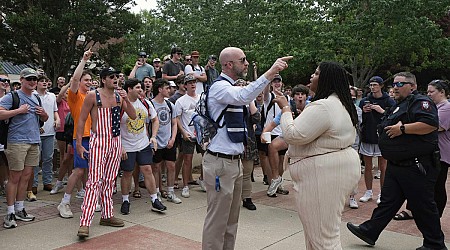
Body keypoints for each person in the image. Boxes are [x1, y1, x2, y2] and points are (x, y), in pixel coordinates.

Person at [201, 46, 291, 250]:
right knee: (217, 222)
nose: (247, 63)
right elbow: (244, 96)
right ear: (229, 64)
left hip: (234, 162)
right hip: (219, 163)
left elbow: (249, 96)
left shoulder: (232, 87)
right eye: (243, 60)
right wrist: (270, 72)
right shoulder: (219, 87)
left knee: (231, 222)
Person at [347, 72, 446, 250]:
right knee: (388, 202)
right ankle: (370, 231)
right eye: (394, 84)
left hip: (416, 166)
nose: (395, 87)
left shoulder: (421, 103)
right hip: (397, 164)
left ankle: (435, 244)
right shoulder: (398, 105)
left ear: (412, 86)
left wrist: (403, 128)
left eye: (400, 84)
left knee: (422, 206)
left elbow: (430, 124)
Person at [273, 62, 360, 249]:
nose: (312, 76)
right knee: (317, 234)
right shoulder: (339, 104)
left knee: (323, 238)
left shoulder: (324, 106)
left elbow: (293, 135)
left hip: (323, 176)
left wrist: (285, 110)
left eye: (316, 73)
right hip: (330, 172)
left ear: (326, 79)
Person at [76, 67, 136, 238]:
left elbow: (132, 116)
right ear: (103, 79)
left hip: (115, 142)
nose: (115, 79)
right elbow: (81, 120)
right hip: (99, 141)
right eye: (111, 77)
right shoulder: (92, 96)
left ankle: (107, 215)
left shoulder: (119, 96)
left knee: (110, 180)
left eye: (117, 76)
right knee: (94, 181)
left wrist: (127, 100)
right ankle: (85, 222)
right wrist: (79, 144)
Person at [0, 68, 49, 229]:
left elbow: (44, 118)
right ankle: (10, 212)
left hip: (34, 141)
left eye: (35, 79)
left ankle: (20, 209)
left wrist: (44, 115)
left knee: (26, 177)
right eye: (29, 79)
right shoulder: (12, 96)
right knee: (14, 177)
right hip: (16, 142)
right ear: (21, 80)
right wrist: (18, 111)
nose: (33, 81)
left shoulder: (36, 97)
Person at [119, 78, 166, 215]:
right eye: (138, 87)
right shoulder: (121, 104)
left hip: (143, 143)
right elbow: (113, 126)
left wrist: (153, 136)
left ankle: (154, 199)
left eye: (141, 87)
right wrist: (120, 145)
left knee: (147, 170)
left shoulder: (145, 103)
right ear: (129, 89)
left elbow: (155, 119)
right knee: (127, 172)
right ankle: (125, 200)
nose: (141, 90)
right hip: (126, 144)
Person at [57, 49, 94, 219]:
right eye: (86, 80)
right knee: (78, 170)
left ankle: (88, 196)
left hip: (94, 137)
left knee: (89, 170)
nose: (89, 82)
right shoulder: (75, 96)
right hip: (80, 138)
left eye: (91, 80)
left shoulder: (93, 97)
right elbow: (74, 79)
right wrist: (84, 60)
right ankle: (64, 202)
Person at [358, 76, 395, 205]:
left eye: (375, 85)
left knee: (383, 166)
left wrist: (382, 111)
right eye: (371, 85)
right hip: (368, 135)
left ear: (381, 85)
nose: (372, 87)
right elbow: (360, 119)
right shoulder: (365, 100)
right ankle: (368, 191)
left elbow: (394, 116)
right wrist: (364, 111)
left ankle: (382, 192)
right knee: (368, 165)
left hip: (382, 137)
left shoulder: (389, 101)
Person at [150, 79, 180, 204]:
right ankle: (156, 192)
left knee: (171, 165)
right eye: (166, 88)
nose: (169, 91)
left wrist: (173, 138)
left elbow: (174, 123)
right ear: (159, 89)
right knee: (156, 167)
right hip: (156, 141)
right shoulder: (150, 105)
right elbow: (148, 124)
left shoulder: (169, 105)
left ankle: (170, 191)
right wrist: (152, 139)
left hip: (168, 140)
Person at [174, 74, 203, 198]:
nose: (193, 84)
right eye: (190, 82)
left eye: (194, 82)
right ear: (185, 85)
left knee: (206, 158)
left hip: (201, 134)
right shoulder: (180, 101)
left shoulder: (201, 98)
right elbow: (177, 119)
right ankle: (185, 186)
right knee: (187, 160)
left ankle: (203, 180)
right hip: (188, 134)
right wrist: (183, 132)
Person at [32, 75, 60, 195]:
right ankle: (33, 184)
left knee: (48, 158)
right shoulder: (33, 95)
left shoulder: (52, 96)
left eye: (46, 81)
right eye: (41, 81)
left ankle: (47, 181)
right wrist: (38, 126)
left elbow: (55, 111)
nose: (44, 83)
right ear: (36, 83)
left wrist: (57, 119)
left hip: (49, 131)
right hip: (36, 133)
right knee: (35, 160)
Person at [427, 79, 450, 218]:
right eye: (428, 91)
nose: (429, 94)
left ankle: (437, 215)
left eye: (432, 92)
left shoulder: (446, 108)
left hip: (441, 154)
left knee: (438, 186)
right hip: (433, 152)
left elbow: (435, 127)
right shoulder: (434, 107)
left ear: (442, 92)